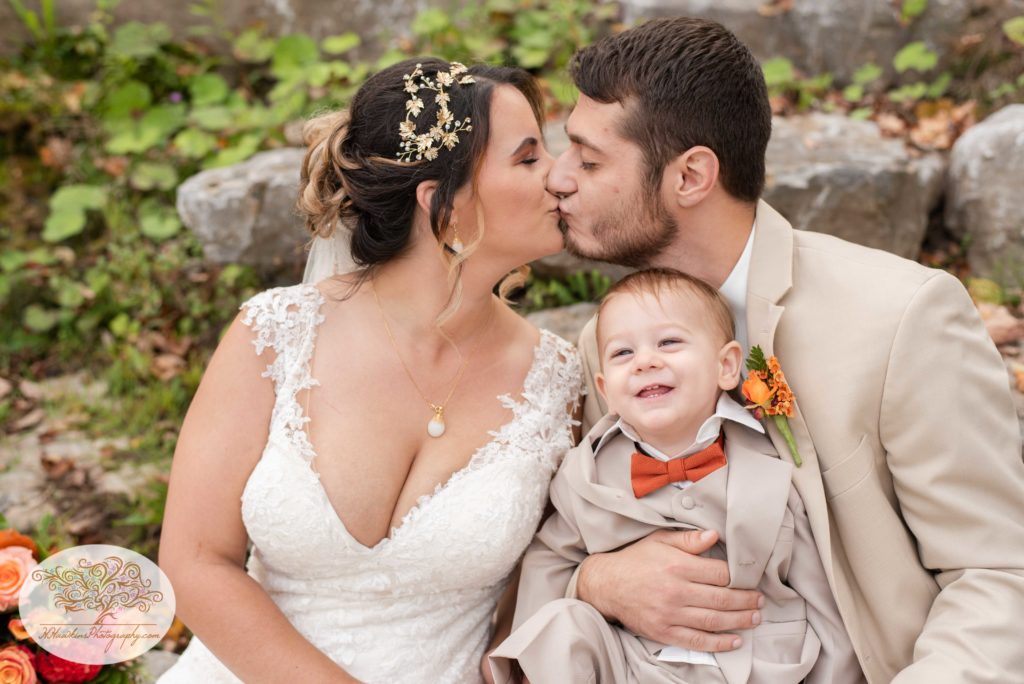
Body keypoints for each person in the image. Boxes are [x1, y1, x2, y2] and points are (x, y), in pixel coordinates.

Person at [546, 16, 1024, 683]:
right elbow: (575, 541)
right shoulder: (613, 342)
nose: (558, 178)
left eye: (589, 160)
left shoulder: (900, 317)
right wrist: (597, 582)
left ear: (690, 177)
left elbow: (998, 571)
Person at [156, 57, 582, 683]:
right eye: (528, 159)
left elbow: (544, 585)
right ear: (444, 204)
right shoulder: (274, 335)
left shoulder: (557, 378)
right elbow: (195, 561)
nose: (562, 176)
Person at [489, 268, 861, 684]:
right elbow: (550, 561)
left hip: (754, 664)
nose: (646, 361)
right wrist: (583, 589)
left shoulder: (772, 467)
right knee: (561, 624)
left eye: (669, 342)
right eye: (622, 354)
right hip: (631, 663)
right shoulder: (585, 474)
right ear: (605, 389)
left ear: (726, 366)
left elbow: (825, 603)